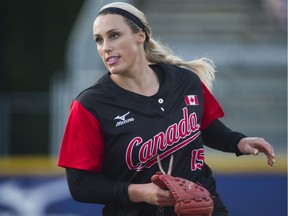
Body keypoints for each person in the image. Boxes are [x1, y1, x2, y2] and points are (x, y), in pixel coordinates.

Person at [58, 2, 275, 216]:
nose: (105, 46)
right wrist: (141, 192)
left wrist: (238, 142)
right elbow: (80, 185)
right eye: (99, 40)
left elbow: (205, 126)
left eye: (114, 35)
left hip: (202, 206)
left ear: (140, 35)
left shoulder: (185, 81)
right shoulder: (89, 105)